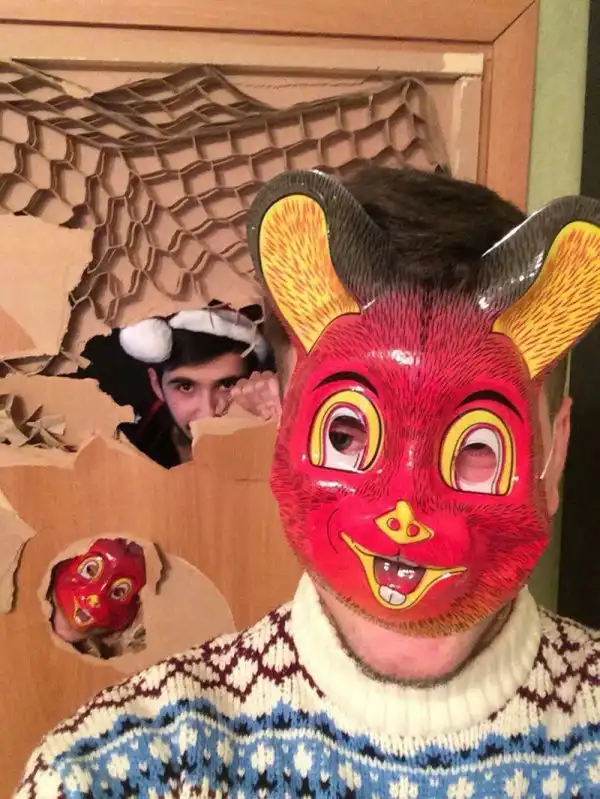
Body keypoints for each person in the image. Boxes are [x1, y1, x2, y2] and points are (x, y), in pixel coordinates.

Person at [15, 166, 600, 798]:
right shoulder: (104, 774)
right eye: (346, 435)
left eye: (477, 449)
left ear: (557, 449)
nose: (404, 512)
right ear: (283, 427)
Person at [118, 305, 279, 468]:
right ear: (157, 386)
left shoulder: (272, 435)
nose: (207, 413)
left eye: (226, 385)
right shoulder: (127, 452)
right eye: (186, 387)